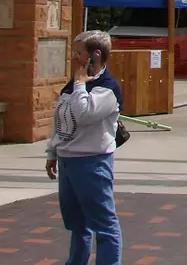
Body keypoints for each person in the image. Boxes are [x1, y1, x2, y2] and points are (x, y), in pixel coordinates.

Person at [46, 30, 124, 265]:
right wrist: (52, 151)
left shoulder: (107, 88)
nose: (73, 57)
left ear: (95, 55)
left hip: (92, 162)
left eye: (78, 53)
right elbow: (61, 119)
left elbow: (83, 114)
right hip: (67, 160)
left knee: (104, 224)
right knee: (77, 224)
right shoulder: (73, 85)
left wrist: (80, 85)